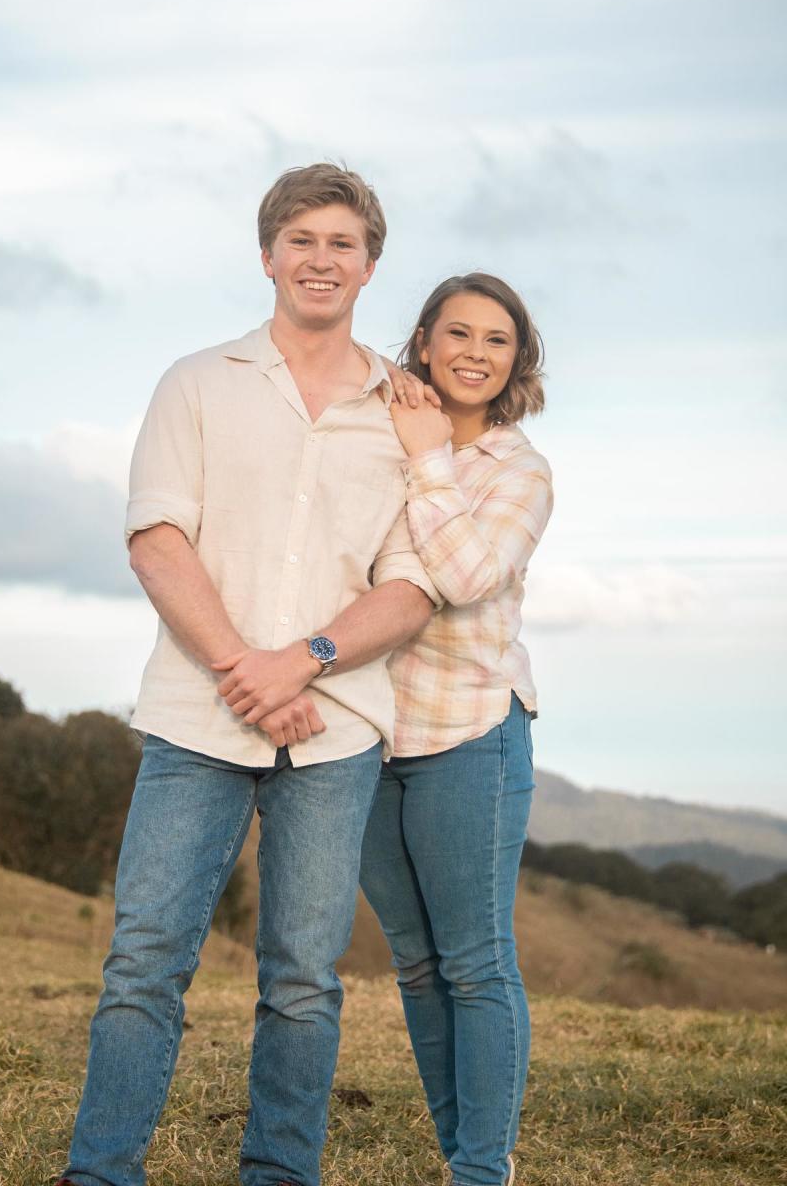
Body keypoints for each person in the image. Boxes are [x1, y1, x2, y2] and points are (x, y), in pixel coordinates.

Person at [56, 164, 440, 1186]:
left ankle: (278, 1174)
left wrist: (303, 663)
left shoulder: (403, 415)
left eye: (342, 243)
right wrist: (245, 670)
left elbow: (411, 588)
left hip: (338, 725)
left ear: (370, 265)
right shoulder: (195, 381)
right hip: (197, 718)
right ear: (267, 255)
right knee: (145, 962)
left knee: (305, 982)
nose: (322, 259)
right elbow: (156, 539)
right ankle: (101, 1173)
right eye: (302, 240)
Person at [360, 273, 553, 1186]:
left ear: (517, 360)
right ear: (426, 341)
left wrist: (431, 455)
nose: (476, 353)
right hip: (362, 730)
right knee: (415, 964)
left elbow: (470, 575)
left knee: (474, 961)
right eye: (459, 334)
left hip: (469, 729)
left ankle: (483, 1169)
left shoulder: (520, 471)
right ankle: (457, 1154)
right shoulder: (378, 430)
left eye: (498, 340)